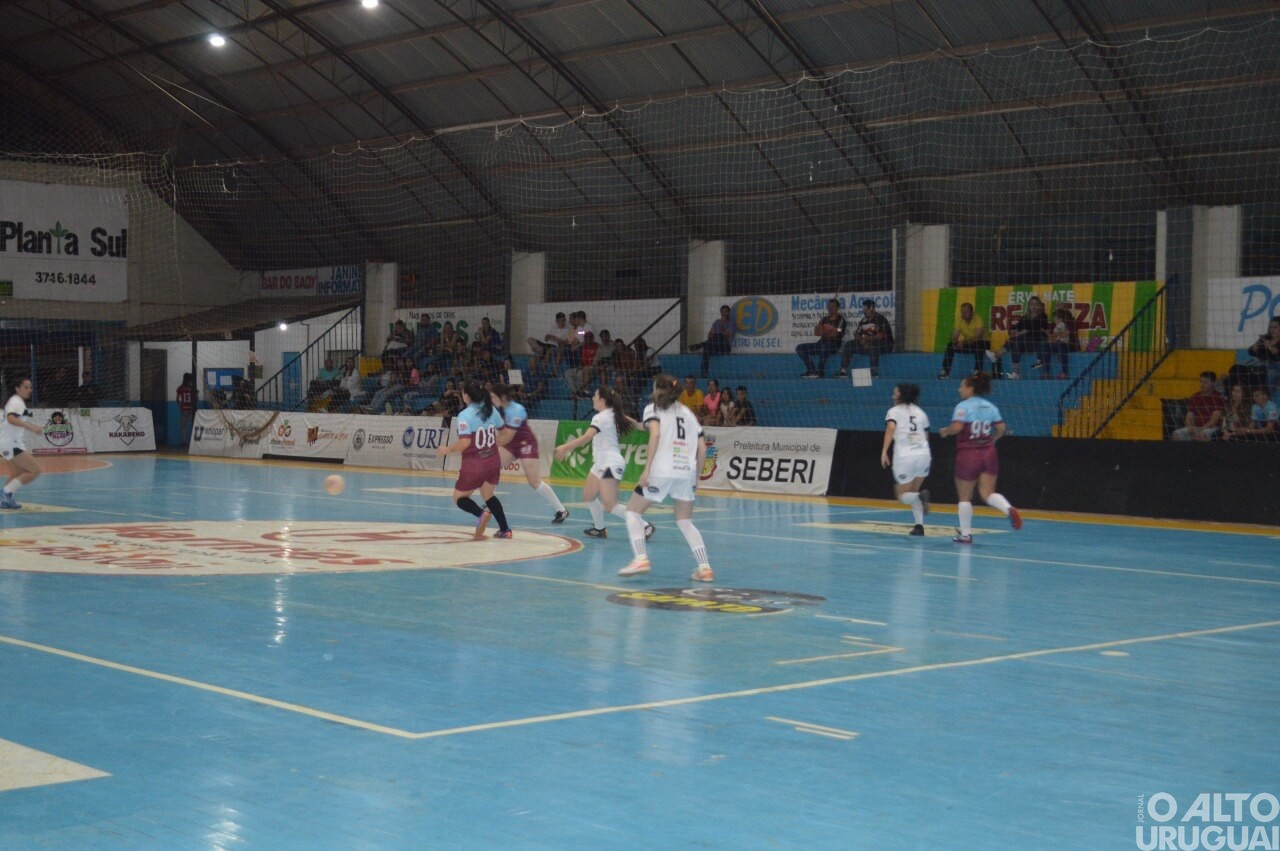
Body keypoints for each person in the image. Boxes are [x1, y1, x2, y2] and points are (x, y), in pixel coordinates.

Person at [618, 374, 714, 582]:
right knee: (685, 521)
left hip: (662, 469)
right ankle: (705, 568)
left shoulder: (653, 408)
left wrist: (647, 468)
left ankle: (640, 557)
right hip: (686, 471)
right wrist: (695, 478)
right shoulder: (687, 413)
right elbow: (701, 448)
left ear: (657, 390)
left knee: (632, 512)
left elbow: (655, 435)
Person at [553, 386, 656, 540]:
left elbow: (587, 437)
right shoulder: (614, 414)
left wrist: (566, 447)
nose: (592, 398)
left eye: (595, 395)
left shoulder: (600, 418)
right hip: (600, 463)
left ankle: (645, 525)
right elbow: (638, 425)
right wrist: (649, 424)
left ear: (602, 400)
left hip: (610, 463)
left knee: (610, 505)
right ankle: (599, 528)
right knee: (588, 495)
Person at [938, 373, 1022, 544]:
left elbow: (957, 427)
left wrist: (946, 431)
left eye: (962, 386)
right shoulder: (990, 407)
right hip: (988, 452)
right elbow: (1001, 428)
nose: (959, 389)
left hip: (968, 453)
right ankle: (1008, 508)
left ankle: (966, 534)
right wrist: (994, 439)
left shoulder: (963, 406)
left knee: (964, 496)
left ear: (970, 388)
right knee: (987, 493)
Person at [439, 380, 513, 539]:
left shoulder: (464, 415)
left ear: (467, 396)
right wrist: (496, 443)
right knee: (489, 495)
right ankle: (505, 529)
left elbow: (465, 442)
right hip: (492, 460)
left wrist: (448, 449)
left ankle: (481, 514)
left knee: (459, 498)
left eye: (463, 392)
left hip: (474, 464)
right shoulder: (491, 410)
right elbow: (505, 432)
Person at [490, 383, 569, 523]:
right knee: (490, 465)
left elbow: (507, 436)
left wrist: (488, 443)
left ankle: (561, 510)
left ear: (502, 397)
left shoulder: (516, 410)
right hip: (512, 444)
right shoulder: (500, 409)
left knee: (534, 482)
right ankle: (490, 501)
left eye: (493, 397)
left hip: (526, 444)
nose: (491, 400)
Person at [880, 383, 932, 536]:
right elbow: (927, 436)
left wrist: (884, 451)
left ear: (900, 395)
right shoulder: (921, 412)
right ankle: (919, 526)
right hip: (924, 454)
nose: (892, 396)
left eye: (895, 393)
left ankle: (919, 497)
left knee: (902, 495)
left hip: (905, 456)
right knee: (914, 490)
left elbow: (890, 428)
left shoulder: (894, 411)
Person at [1, 375, 43, 510]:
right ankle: (5, 493)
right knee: (34, 470)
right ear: (17, 388)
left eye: (30, 387)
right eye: (26, 387)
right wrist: (31, 427)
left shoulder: (15, 401)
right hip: (11, 443)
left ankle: (5, 500)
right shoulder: (16, 402)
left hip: (7, 442)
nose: (29, 389)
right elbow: (11, 418)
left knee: (16, 473)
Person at [991, 296, 1050, 380]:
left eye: (1036, 304)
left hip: (1036, 343)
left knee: (1017, 339)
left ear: (1040, 306)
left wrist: (1024, 331)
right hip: (1024, 343)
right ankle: (1016, 373)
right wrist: (1012, 331)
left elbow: (1036, 329)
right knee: (1016, 344)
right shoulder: (1025, 318)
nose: (1034, 306)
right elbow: (1015, 327)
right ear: (1029, 306)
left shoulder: (1043, 317)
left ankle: (997, 355)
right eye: (1032, 304)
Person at [837, 299, 894, 378]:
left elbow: (881, 335)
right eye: (863, 309)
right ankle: (843, 371)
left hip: (884, 345)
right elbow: (857, 333)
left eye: (865, 309)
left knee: (874, 346)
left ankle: (873, 372)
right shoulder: (864, 320)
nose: (864, 311)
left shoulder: (880, 319)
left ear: (872, 308)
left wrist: (868, 339)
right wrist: (861, 340)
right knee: (849, 345)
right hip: (866, 344)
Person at [798, 298, 846, 379]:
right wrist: (827, 331)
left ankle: (820, 372)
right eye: (829, 306)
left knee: (826, 345)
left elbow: (836, 333)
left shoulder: (841, 320)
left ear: (837, 308)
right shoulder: (824, 319)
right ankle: (812, 371)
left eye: (833, 306)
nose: (830, 308)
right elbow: (816, 332)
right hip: (821, 343)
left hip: (833, 345)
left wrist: (824, 331)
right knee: (800, 348)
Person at [938, 302, 989, 379]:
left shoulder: (978, 319)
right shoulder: (959, 320)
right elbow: (954, 335)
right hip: (969, 344)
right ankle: (945, 371)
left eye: (965, 312)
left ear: (971, 312)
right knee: (950, 345)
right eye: (962, 312)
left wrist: (964, 342)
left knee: (979, 345)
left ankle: (977, 372)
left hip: (984, 343)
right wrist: (956, 342)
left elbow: (978, 337)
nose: (963, 314)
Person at [1171, 372, 1225, 441]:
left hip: (1212, 428)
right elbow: (1189, 415)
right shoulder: (1195, 397)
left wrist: (1201, 429)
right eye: (1201, 381)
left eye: (1205, 382)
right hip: (1196, 428)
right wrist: (1189, 426)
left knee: (1202, 435)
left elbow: (1214, 420)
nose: (1202, 384)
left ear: (1213, 383)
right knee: (1176, 434)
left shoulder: (1218, 397)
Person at [690, 304, 736, 378]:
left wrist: (722, 325)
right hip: (715, 346)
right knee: (707, 348)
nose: (723, 313)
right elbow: (709, 335)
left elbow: (725, 335)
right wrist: (716, 333)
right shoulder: (716, 322)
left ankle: (700, 344)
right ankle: (704, 373)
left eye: (725, 312)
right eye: (722, 312)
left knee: (719, 336)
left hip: (725, 347)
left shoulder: (732, 323)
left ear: (729, 312)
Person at [1246, 316, 1280, 393]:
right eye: (1271, 327)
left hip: (1275, 367)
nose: (1272, 330)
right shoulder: (1265, 337)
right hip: (1260, 365)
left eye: (1275, 327)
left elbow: (1277, 358)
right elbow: (1250, 352)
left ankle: (1267, 399)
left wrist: (1270, 347)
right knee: (1237, 368)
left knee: (1272, 373)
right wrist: (1254, 348)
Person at [1046, 307, 1078, 380]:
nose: (1054, 319)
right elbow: (1056, 337)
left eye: (1055, 318)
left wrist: (1051, 335)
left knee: (1061, 349)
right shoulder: (1056, 326)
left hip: (1063, 344)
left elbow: (1059, 333)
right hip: (1058, 344)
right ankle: (1046, 371)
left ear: (1060, 319)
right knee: (1047, 346)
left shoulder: (1061, 324)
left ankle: (1064, 373)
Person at [176, 372, 197, 444]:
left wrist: (180, 406)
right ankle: (193, 441)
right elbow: (196, 398)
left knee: (183, 426)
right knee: (192, 425)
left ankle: (185, 441)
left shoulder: (180, 388)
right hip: (191, 409)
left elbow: (177, 399)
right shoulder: (192, 388)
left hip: (184, 409)